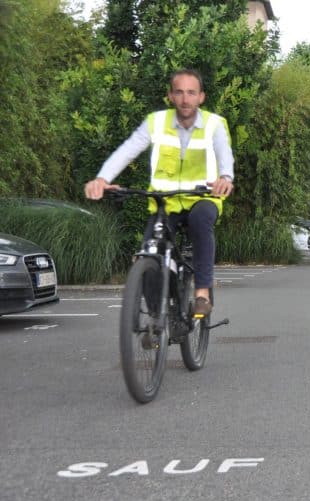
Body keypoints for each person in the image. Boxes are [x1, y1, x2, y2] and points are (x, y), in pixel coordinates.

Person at [85, 68, 234, 317]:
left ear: (201, 97)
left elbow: (224, 154)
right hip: (165, 201)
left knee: (200, 221)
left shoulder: (214, 125)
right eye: (179, 92)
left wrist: (226, 178)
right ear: (170, 96)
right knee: (151, 251)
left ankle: (202, 293)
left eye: (191, 92)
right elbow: (128, 150)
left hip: (202, 197)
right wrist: (102, 178)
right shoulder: (156, 122)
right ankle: (156, 320)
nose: (185, 99)